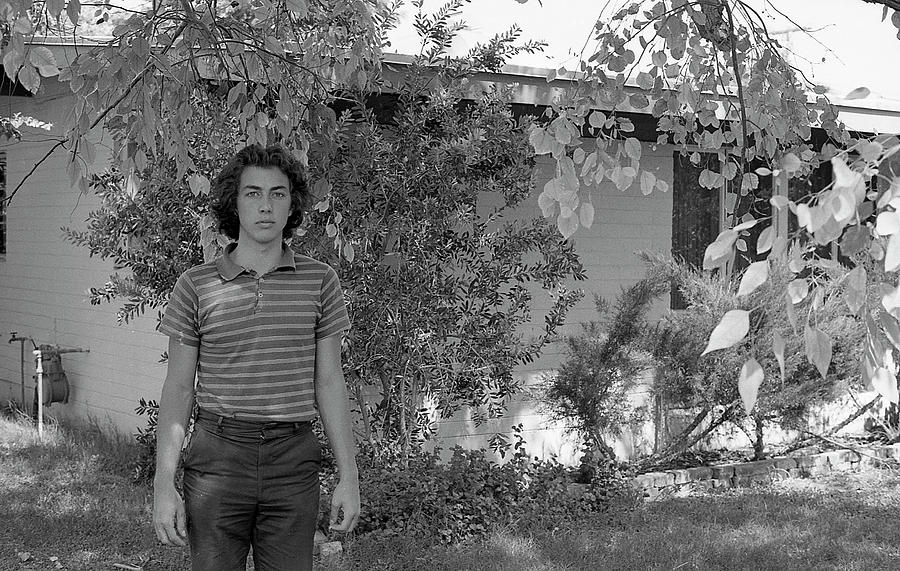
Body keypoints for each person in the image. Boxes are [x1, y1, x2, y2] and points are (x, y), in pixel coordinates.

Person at [152, 144, 360, 571]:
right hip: (217, 459)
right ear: (235, 203)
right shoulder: (195, 285)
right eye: (253, 193)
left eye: (277, 193)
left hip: (293, 462)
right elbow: (178, 387)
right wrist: (163, 482)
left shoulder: (321, 281)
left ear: (292, 205)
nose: (266, 206)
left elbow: (330, 382)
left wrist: (349, 475)